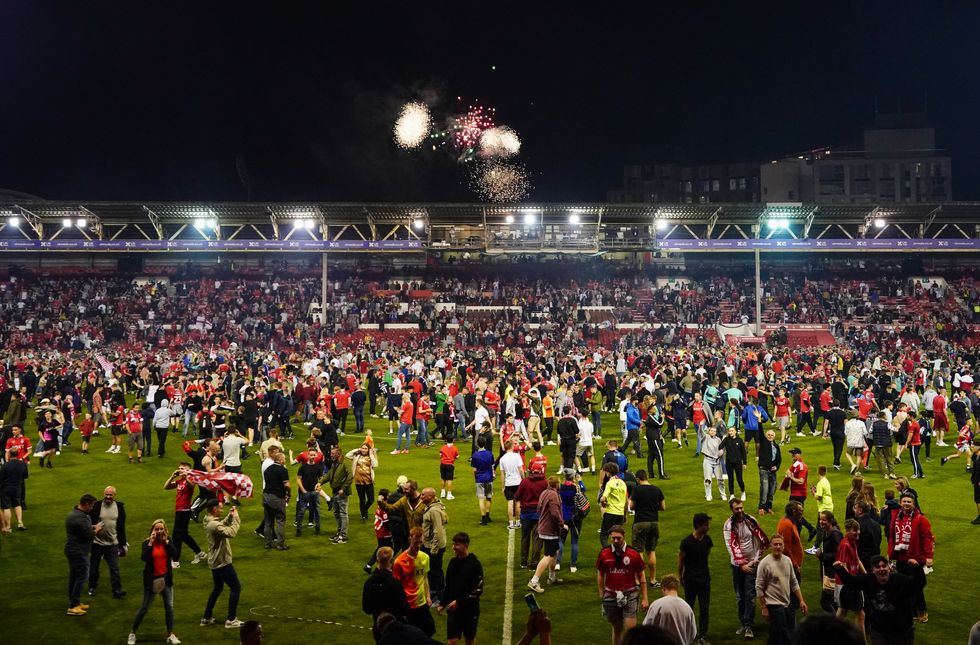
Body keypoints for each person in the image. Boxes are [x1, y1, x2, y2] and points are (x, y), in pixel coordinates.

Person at [833, 555, 926, 645]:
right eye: (878, 567)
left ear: (889, 568)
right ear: (873, 570)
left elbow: (919, 584)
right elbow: (851, 583)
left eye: (884, 566)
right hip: (880, 631)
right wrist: (840, 569)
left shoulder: (900, 580)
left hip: (903, 631)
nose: (881, 569)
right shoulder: (868, 580)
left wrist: (917, 568)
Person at [128, 519, 181, 645]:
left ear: (165, 530)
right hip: (152, 581)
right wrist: (151, 543)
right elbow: (144, 558)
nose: (159, 531)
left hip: (166, 580)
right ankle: (132, 633)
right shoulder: (147, 543)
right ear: (152, 531)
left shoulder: (168, 542)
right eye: (156, 529)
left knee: (169, 608)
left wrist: (167, 543)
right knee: (144, 608)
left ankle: (170, 634)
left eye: (161, 529)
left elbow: (175, 555)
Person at [723, 498, 769, 640]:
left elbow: (759, 540)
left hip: (752, 564)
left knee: (749, 595)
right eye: (737, 509)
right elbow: (731, 546)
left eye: (741, 508)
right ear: (732, 510)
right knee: (739, 596)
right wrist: (741, 564)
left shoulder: (751, 520)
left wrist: (755, 559)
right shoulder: (728, 525)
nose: (740, 511)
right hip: (737, 566)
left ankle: (748, 625)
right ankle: (743, 622)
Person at [596, 524, 649, 645]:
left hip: (630, 594)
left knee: (631, 631)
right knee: (617, 629)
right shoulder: (604, 553)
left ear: (624, 536)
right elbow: (600, 574)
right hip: (611, 595)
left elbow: (641, 576)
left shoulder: (633, 554)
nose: (615, 540)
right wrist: (601, 592)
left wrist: (645, 598)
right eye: (613, 538)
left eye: (618, 538)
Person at [886, 490, 934, 622]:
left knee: (917, 585)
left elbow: (928, 539)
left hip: (915, 559)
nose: (906, 504)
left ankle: (922, 611)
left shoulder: (921, 519)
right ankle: (910, 611)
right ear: (900, 503)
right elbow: (891, 536)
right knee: (904, 585)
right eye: (904, 501)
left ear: (914, 504)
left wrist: (928, 556)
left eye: (909, 502)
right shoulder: (896, 516)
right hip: (901, 557)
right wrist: (890, 553)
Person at [756, 534, 808, 645]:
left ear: (784, 546)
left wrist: (801, 600)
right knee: (785, 636)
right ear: (770, 546)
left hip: (786, 604)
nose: (778, 547)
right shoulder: (764, 563)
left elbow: (793, 582)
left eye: (780, 544)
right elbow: (759, 587)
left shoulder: (787, 560)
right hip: (773, 606)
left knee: (775, 636)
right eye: (775, 544)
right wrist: (764, 607)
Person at [201, 500, 244, 629]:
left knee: (218, 588)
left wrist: (229, 517)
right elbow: (231, 532)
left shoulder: (207, 520)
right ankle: (231, 619)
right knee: (236, 587)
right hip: (222, 562)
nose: (222, 509)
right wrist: (236, 518)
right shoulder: (213, 525)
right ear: (214, 509)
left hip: (214, 561)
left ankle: (206, 617)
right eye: (220, 508)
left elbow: (219, 525)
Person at [438, 532, 484, 645]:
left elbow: (478, 590)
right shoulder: (452, 563)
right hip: (454, 611)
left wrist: (459, 602)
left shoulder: (475, 564)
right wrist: (443, 603)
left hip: (470, 609)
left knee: (469, 640)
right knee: (451, 642)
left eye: (457, 544)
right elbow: (448, 585)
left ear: (466, 545)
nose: (454, 547)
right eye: (454, 544)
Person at [393, 526, 435, 637]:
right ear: (409, 539)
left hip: (422, 603)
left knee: (428, 633)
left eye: (420, 542)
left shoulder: (425, 557)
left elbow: (424, 577)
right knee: (411, 637)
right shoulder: (399, 562)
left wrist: (428, 596)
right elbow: (396, 587)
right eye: (415, 542)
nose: (418, 545)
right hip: (408, 606)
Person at [88, 485, 128, 599]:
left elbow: (121, 527)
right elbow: (88, 521)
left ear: (115, 495)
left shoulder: (119, 507)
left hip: (112, 544)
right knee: (94, 567)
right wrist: (92, 529)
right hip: (97, 543)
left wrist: (123, 544)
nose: (108, 496)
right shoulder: (96, 505)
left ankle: (117, 590)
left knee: (114, 568)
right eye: (106, 494)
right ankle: (92, 587)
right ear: (103, 494)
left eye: (111, 495)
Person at [363, 546, 412, 639]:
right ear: (391, 561)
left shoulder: (369, 583)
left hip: (378, 628)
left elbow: (366, 608)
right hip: (395, 628)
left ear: (377, 560)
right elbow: (404, 608)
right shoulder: (395, 583)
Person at [679, 513, 713, 645]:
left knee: (705, 609)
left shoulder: (708, 540)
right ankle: (687, 634)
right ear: (698, 525)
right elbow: (681, 561)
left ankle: (702, 636)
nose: (708, 527)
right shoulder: (686, 542)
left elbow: (706, 556)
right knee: (689, 608)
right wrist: (680, 576)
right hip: (691, 580)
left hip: (704, 579)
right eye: (706, 525)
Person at [66, 494, 102, 616]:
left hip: (72, 549)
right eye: (91, 505)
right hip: (79, 551)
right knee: (82, 577)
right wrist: (96, 529)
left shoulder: (74, 514)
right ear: (86, 504)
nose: (92, 508)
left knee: (74, 576)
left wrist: (91, 527)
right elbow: (90, 535)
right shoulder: (81, 518)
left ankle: (74, 602)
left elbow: (81, 530)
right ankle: (73, 606)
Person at [163, 465, 206, 567]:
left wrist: (187, 475)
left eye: (182, 468)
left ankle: (175, 560)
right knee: (184, 535)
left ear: (188, 470)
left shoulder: (190, 479)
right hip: (179, 510)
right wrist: (172, 476)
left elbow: (192, 486)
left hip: (184, 510)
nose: (179, 470)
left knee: (176, 535)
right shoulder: (179, 481)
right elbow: (166, 487)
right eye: (179, 468)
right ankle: (199, 553)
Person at [527, 475, 564, 593]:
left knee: (554, 552)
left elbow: (538, 508)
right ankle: (534, 581)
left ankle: (552, 577)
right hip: (550, 530)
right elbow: (555, 512)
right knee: (548, 555)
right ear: (557, 484)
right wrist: (562, 524)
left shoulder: (544, 493)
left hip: (543, 526)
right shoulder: (553, 495)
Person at [630, 470, 666, 588]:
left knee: (639, 551)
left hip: (640, 522)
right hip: (654, 522)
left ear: (638, 479)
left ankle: (639, 580)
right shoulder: (657, 489)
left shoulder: (637, 489)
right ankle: (653, 580)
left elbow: (631, 506)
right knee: (651, 550)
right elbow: (663, 507)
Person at [641, 574, 697, 645]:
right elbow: (692, 634)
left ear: (664, 588)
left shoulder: (657, 604)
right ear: (677, 588)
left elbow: (646, 629)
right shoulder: (687, 607)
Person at [834, 518, 866, 638]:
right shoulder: (845, 545)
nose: (858, 532)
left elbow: (857, 560)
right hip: (847, 584)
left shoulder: (852, 542)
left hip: (847, 583)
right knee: (860, 614)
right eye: (854, 530)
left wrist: (866, 575)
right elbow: (842, 566)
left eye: (858, 530)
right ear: (847, 531)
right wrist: (853, 581)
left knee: (842, 611)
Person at [319, 445, 353, 543]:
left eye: (333, 453)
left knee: (343, 513)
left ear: (339, 454)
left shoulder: (345, 462)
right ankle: (339, 533)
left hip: (342, 492)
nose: (331, 455)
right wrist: (320, 482)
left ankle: (343, 535)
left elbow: (350, 476)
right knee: (337, 513)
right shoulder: (336, 463)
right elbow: (329, 475)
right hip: (335, 492)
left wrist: (343, 488)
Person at [420, 487, 448, 606]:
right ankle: (434, 593)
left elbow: (438, 531)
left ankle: (441, 597)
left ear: (430, 497)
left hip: (433, 546)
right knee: (431, 571)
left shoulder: (434, 511)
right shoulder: (432, 507)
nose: (420, 497)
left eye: (423, 495)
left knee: (436, 571)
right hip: (429, 544)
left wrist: (434, 549)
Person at [262, 451, 290, 550]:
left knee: (268, 520)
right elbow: (287, 485)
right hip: (277, 497)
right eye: (284, 459)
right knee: (280, 520)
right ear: (281, 460)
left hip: (266, 496)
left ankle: (267, 543)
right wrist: (288, 494)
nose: (285, 461)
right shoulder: (282, 470)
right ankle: (280, 544)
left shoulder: (267, 469)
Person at [599, 462, 628, 547]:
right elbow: (626, 501)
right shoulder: (623, 483)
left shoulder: (610, 483)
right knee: (618, 536)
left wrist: (603, 503)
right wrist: (625, 515)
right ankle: (619, 553)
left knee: (604, 535)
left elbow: (603, 498)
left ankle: (608, 553)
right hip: (620, 514)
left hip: (610, 512)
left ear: (608, 472)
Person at [0, 446, 28, 533]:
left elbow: (1, 479)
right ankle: (20, 523)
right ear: (18, 454)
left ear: (9, 454)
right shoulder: (22, 464)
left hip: (6, 488)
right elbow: (25, 476)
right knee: (17, 505)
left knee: (6, 507)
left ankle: (8, 527)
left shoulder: (5, 466)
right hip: (17, 487)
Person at [295, 451, 322, 535]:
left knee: (317, 510)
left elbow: (321, 478)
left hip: (314, 492)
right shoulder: (303, 467)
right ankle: (298, 529)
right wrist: (303, 490)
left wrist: (319, 487)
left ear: (316, 456)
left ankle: (317, 528)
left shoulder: (318, 467)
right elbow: (298, 479)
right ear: (308, 456)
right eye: (311, 455)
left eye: (314, 455)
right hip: (305, 492)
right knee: (301, 511)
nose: (313, 456)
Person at [470, 436, 495, 525]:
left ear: (477, 444)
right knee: (488, 497)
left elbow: (474, 470)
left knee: (481, 499)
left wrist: (475, 479)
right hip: (489, 478)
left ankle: (483, 518)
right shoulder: (489, 454)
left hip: (480, 478)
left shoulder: (475, 455)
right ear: (485, 443)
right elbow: (492, 466)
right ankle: (488, 515)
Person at [720, 425, 747, 501]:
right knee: (730, 479)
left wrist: (744, 463)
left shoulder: (740, 440)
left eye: (732, 431)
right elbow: (720, 446)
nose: (731, 432)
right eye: (730, 431)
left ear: (735, 432)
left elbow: (743, 452)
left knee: (739, 479)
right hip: (729, 463)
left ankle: (743, 492)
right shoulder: (726, 439)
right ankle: (732, 495)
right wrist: (721, 450)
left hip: (738, 463)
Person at [757, 430, 781, 515]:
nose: (770, 436)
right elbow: (760, 433)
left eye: (772, 435)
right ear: (766, 436)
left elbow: (779, 460)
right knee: (765, 488)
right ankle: (761, 507)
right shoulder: (764, 443)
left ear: (774, 436)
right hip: (764, 469)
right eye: (769, 435)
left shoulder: (776, 446)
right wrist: (759, 421)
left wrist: (777, 467)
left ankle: (768, 507)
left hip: (772, 471)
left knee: (772, 490)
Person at [440, 436, 460, 500]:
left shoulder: (443, 447)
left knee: (443, 478)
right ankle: (449, 494)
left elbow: (440, 455)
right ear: (453, 440)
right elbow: (457, 456)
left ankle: (442, 493)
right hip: (450, 465)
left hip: (443, 464)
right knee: (449, 479)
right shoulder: (454, 448)